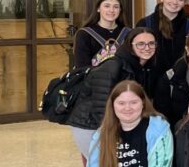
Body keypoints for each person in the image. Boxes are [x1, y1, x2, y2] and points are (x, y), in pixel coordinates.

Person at [69, 27, 161, 156]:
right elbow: (101, 106)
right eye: (140, 44)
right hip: (90, 124)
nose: (147, 47)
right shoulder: (113, 66)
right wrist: (113, 135)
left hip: (115, 123)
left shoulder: (146, 67)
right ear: (130, 45)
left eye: (151, 43)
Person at [137, 0, 189, 81]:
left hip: (180, 82)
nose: (175, 2)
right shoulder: (145, 24)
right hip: (150, 82)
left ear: (185, 2)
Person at [73, 0, 129, 69]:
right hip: (94, 80)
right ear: (98, 8)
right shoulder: (84, 34)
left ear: (120, 10)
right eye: (107, 6)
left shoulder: (128, 33)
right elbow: (82, 67)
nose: (111, 10)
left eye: (116, 7)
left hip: (124, 80)